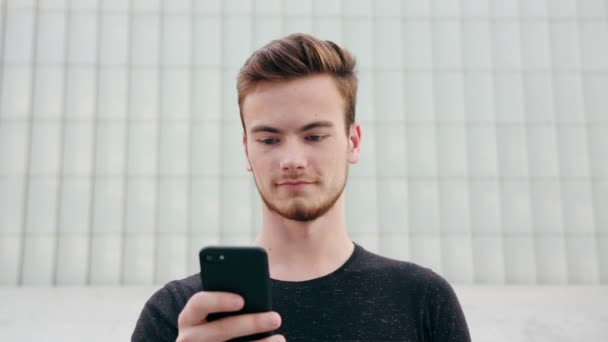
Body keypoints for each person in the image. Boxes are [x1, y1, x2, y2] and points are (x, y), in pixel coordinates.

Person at [132, 33, 471, 342]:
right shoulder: (175, 314)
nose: (292, 159)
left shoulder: (423, 298)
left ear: (352, 142)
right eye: (269, 139)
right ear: (246, 150)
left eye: (314, 136)